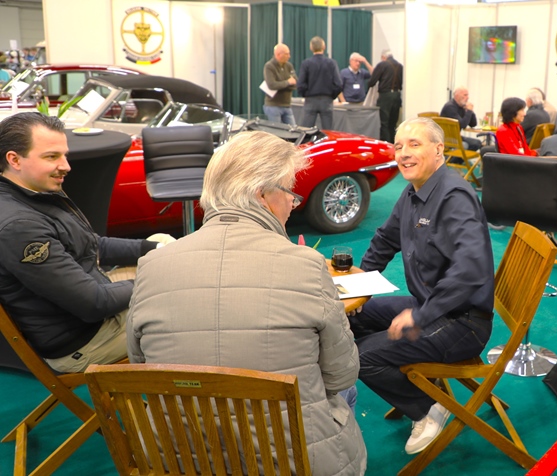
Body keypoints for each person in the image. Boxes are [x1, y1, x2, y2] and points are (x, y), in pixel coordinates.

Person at [127, 131, 366, 475]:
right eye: (289, 191)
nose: (292, 203)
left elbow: (140, 366)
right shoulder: (306, 265)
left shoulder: (152, 265)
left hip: (181, 459)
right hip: (287, 462)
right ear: (262, 194)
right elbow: (341, 373)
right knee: (347, 392)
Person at [350, 117, 494, 455]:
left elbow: (471, 268)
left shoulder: (454, 196)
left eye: (414, 144)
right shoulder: (414, 191)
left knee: (359, 357)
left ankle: (428, 407)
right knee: (348, 317)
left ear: (438, 149)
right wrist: (360, 287)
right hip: (428, 305)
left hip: (462, 322)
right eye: (398, 146)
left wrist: (419, 317)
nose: (403, 153)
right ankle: (412, 383)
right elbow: (385, 239)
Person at [0, 112, 160, 373]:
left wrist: (154, 250)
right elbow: (93, 304)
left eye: (64, 155)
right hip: (88, 341)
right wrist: (157, 278)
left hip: (96, 309)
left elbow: (91, 245)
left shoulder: (34, 193)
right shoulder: (19, 225)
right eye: (52, 156)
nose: (66, 166)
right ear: (14, 159)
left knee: (162, 242)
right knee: (188, 311)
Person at [297, 36, 343, 129]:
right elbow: (338, 84)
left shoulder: (306, 63)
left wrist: (306, 94)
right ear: (324, 47)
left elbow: (300, 84)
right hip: (327, 100)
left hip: (310, 100)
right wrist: (332, 96)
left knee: (305, 131)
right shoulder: (331, 63)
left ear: (311, 48)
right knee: (328, 131)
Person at [368, 49, 403, 143]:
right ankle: (394, 144)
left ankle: (386, 145)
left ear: (383, 57)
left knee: (384, 124)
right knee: (393, 124)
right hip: (397, 96)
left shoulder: (382, 65)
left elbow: (372, 82)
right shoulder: (400, 66)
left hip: (385, 97)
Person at [262, 43, 298, 125]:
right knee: (276, 131)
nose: (289, 56)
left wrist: (281, 84)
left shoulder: (289, 66)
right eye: (286, 54)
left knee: (293, 129)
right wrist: (288, 82)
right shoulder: (269, 66)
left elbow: (295, 83)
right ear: (278, 54)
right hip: (273, 106)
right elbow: (272, 85)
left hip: (287, 106)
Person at [440, 87, 480, 151]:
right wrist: (469, 111)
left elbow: (473, 124)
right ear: (457, 96)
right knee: (465, 145)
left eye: (467, 95)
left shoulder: (461, 106)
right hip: (448, 139)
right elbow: (462, 125)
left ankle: (461, 157)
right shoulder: (450, 107)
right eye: (465, 95)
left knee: (477, 143)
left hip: (456, 137)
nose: (468, 97)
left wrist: (470, 111)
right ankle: (452, 157)